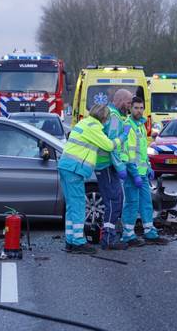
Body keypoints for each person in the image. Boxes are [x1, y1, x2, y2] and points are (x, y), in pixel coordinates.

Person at [58, 104, 130, 254]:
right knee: (78, 205)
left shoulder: (84, 122)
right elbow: (109, 145)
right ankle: (78, 242)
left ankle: (70, 241)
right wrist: (122, 137)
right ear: (104, 118)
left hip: (66, 166)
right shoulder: (94, 127)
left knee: (71, 206)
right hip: (74, 169)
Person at [121, 96, 169, 247]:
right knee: (132, 204)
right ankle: (128, 235)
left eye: (141, 108)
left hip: (141, 173)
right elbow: (127, 153)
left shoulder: (141, 126)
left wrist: (148, 166)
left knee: (146, 203)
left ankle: (150, 232)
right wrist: (134, 173)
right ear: (130, 108)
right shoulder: (128, 126)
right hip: (132, 174)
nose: (139, 110)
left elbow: (142, 152)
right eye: (136, 108)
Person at [95, 89, 133, 250]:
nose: (130, 106)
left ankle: (109, 237)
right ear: (121, 101)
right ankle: (109, 240)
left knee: (114, 200)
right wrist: (120, 167)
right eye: (129, 103)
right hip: (107, 165)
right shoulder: (115, 117)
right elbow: (113, 146)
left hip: (104, 165)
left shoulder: (109, 113)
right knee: (114, 201)